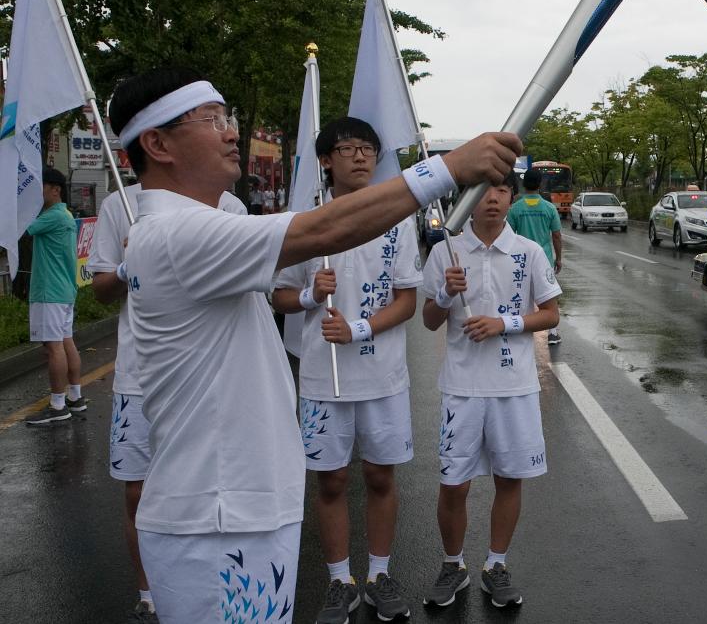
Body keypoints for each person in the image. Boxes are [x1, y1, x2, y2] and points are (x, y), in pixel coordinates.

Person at [107, 66, 519, 623]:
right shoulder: (176, 235)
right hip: (215, 524)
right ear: (157, 144)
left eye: (227, 118)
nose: (231, 133)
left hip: (239, 514)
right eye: (213, 121)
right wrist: (445, 169)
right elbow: (319, 233)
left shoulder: (192, 226)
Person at [271, 117, 421, 623]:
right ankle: (340, 581)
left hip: (383, 377)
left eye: (368, 149)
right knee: (330, 481)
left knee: (380, 475)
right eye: (348, 147)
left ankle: (379, 572)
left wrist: (359, 329)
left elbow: (406, 302)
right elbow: (280, 295)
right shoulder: (305, 224)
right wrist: (312, 294)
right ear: (326, 161)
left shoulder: (395, 221)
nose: (360, 156)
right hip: (321, 378)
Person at [89, 181, 245, 624]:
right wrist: (126, 266)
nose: (225, 135)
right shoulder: (118, 202)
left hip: (208, 376)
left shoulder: (228, 205)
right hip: (139, 377)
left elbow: (247, 285)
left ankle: (213, 591)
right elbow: (101, 286)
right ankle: (149, 596)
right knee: (138, 492)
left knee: (210, 488)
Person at [421, 173, 561, 609]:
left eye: (501, 191)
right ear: (467, 198)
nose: (492, 199)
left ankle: (496, 565)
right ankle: (453, 565)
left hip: (514, 388)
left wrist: (505, 323)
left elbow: (551, 314)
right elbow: (428, 320)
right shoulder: (447, 251)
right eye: (482, 191)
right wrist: (445, 293)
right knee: (453, 485)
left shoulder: (528, 251)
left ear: (511, 198)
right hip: (461, 388)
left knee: (508, 478)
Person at [23, 167, 85, 426]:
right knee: (66, 342)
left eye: (41, 186)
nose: (37, 192)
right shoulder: (64, 215)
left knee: (53, 347)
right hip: (63, 291)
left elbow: (25, 228)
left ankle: (58, 405)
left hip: (49, 292)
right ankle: (75, 397)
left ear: (55, 189)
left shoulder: (53, 216)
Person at [506, 167, 563, 343]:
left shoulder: (514, 209)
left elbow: (508, 236)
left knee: (522, 294)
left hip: (520, 260)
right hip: (544, 259)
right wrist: (558, 258)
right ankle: (552, 334)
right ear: (540, 184)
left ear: (524, 184)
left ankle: (522, 328)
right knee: (548, 297)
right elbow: (556, 235)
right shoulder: (549, 208)